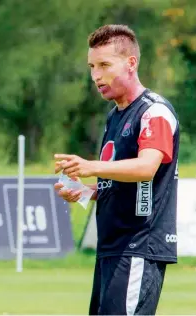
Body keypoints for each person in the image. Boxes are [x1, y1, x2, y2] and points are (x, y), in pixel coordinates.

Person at [54, 24, 179, 315]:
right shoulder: (115, 116)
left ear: (131, 63)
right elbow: (121, 180)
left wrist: (89, 166)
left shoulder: (154, 112)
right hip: (113, 248)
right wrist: (87, 192)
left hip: (138, 246)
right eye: (92, 66)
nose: (96, 75)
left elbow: (147, 168)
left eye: (105, 65)